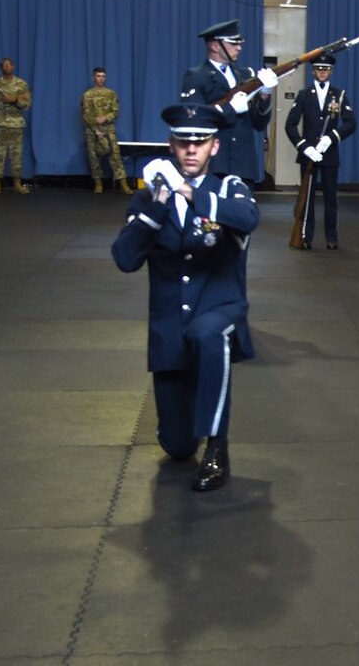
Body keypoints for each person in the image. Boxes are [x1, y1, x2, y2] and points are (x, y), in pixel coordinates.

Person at [113, 104, 259, 492]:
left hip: (219, 308)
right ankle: (191, 426)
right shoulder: (149, 199)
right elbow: (125, 259)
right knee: (177, 447)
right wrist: (158, 206)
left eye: (200, 143)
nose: (191, 151)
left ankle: (218, 446)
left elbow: (247, 219)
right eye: (183, 143)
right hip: (170, 328)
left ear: (214, 147)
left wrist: (186, 191)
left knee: (207, 335)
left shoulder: (230, 188)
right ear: (170, 146)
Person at [178, 20, 273, 183]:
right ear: (216, 46)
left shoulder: (244, 75)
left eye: (239, 43)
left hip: (243, 166)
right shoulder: (196, 76)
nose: (239, 47)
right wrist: (230, 108)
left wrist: (265, 94)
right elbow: (194, 119)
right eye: (233, 43)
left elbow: (259, 124)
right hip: (214, 164)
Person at [283, 55, 357, 250]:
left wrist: (331, 137)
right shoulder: (303, 95)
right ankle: (305, 235)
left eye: (326, 69)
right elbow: (290, 125)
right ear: (313, 71)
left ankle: (331, 237)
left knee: (331, 197)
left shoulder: (339, 95)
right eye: (319, 69)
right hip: (308, 155)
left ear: (331, 71)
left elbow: (350, 123)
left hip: (329, 153)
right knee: (306, 197)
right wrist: (303, 146)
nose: (322, 72)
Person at [81, 67, 135, 194]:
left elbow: (115, 112)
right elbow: (85, 115)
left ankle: (124, 184)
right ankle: (98, 183)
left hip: (109, 130)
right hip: (92, 131)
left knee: (115, 156)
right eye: (98, 76)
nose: (101, 78)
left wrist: (105, 118)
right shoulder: (87, 95)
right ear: (94, 77)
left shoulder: (111, 94)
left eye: (103, 76)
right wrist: (95, 128)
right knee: (93, 158)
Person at [0, 57, 33, 195]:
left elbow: (26, 103)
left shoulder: (21, 84)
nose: (7, 67)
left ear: (13, 67)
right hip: (0, 122)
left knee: (16, 155)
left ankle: (17, 183)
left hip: (16, 123)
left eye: (9, 65)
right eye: (4, 65)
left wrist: (14, 100)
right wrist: (7, 100)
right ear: (1, 67)